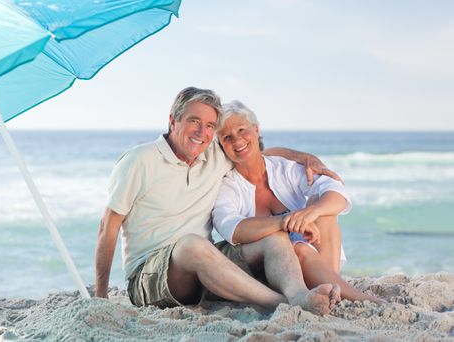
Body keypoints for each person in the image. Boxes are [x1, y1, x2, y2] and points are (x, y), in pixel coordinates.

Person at [95, 87, 342, 314]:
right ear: (173, 120)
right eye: (194, 121)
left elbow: (253, 152)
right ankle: (283, 304)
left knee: (271, 236)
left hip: (206, 264)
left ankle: (299, 294)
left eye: (210, 125)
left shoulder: (212, 154)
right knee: (191, 245)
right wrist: (101, 295)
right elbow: (108, 227)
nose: (202, 133)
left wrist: (304, 157)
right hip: (150, 275)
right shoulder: (139, 160)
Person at [212, 100, 385, 304]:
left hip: (317, 256)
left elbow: (335, 188)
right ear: (221, 145)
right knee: (299, 248)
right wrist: (289, 221)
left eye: (242, 130)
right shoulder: (228, 185)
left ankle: (331, 288)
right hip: (275, 270)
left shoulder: (283, 168)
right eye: (227, 137)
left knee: (324, 212)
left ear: (256, 129)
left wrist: (311, 212)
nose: (237, 140)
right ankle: (358, 297)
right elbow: (231, 227)